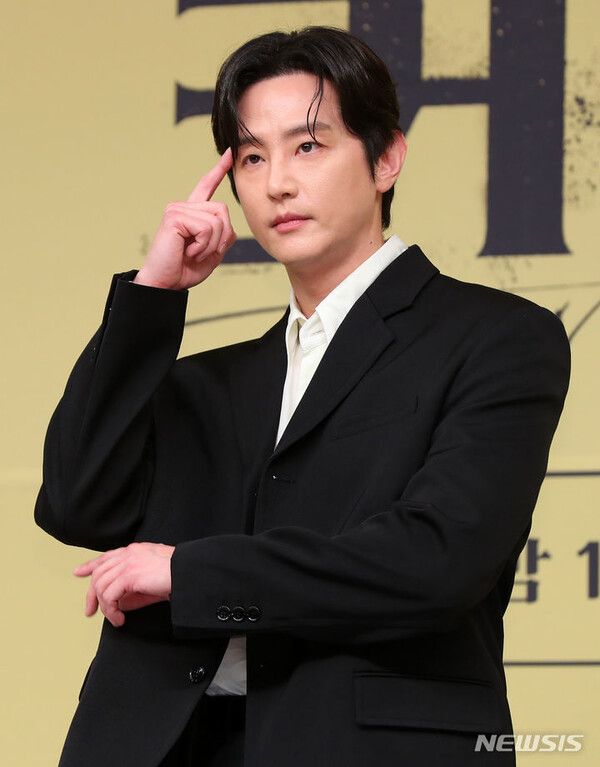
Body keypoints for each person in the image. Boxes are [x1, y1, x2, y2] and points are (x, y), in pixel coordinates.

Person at [35, 25, 570, 767]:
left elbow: (437, 560)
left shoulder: (497, 336)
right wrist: (151, 297)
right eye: (252, 157)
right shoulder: (208, 381)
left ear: (387, 158)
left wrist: (189, 573)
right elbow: (75, 504)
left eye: (308, 146)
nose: (277, 183)